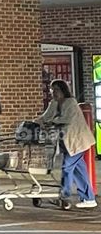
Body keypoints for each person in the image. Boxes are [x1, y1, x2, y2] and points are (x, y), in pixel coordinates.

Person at [37, 79, 97, 208]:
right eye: (52, 90)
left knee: (67, 167)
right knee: (79, 171)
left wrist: (51, 122)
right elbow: (45, 116)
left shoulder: (71, 102)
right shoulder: (53, 103)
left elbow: (66, 118)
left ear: (63, 90)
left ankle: (64, 196)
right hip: (66, 143)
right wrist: (37, 122)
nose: (53, 93)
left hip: (78, 142)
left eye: (56, 90)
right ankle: (89, 198)